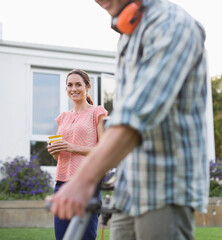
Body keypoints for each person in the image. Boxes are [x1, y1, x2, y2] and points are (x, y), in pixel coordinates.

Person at [47, 0, 209, 239]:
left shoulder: (170, 24)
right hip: (127, 190)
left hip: (164, 187)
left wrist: (83, 180)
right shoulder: (129, 33)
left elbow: (135, 116)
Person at [47, 69, 108, 240]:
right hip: (62, 185)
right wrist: (55, 150)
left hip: (87, 184)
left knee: (84, 237)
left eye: (78, 84)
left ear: (88, 86)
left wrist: (72, 147)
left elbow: (105, 149)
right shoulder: (63, 117)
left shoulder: (98, 112)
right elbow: (58, 158)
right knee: (62, 237)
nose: (74, 88)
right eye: (70, 85)